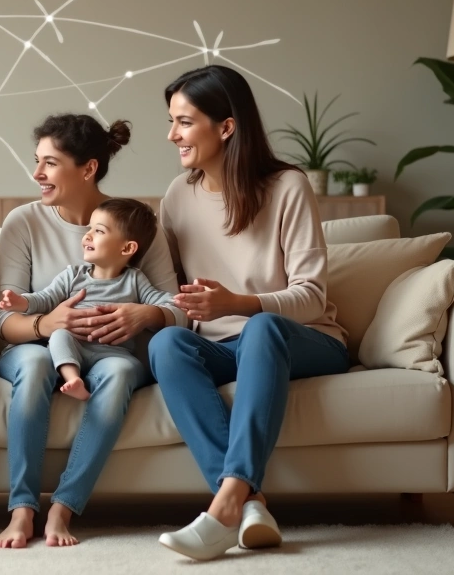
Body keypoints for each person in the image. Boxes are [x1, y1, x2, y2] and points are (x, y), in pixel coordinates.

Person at [148, 65, 350, 561]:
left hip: (299, 340)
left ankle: (222, 510)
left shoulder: (287, 187)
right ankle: (249, 502)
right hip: (221, 345)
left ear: (226, 126)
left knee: (260, 328)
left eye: (185, 121)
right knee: (166, 344)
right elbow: (171, 295)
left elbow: (312, 297)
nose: (172, 134)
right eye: (172, 121)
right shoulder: (178, 196)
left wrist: (237, 303)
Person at [0, 115, 184, 548]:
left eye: (50, 163)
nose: (37, 174)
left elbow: (176, 311)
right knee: (39, 362)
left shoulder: (134, 225)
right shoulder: (23, 222)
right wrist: (48, 322)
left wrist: (143, 316)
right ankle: (22, 510)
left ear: (88, 168)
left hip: (112, 353)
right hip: (36, 346)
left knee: (116, 378)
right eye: (36, 161)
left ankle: (64, 507)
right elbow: (7, 322)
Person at [0, 198, 176, 401]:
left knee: (124, 369)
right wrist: (21, 302)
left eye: (98, 231)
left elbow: (167, 302)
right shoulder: (72, 275)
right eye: (89, 229)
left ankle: (84, 380)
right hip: (75, 346)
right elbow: (46, 298)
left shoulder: (135, 280)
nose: (87, 236)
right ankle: (72, 379)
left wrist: (148, 313)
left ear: (127, 249)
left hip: (113, 353)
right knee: (59, 336)